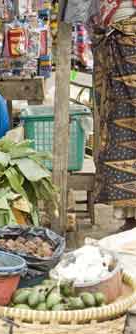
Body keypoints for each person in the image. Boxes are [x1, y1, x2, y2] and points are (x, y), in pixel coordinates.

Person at [92, 1, 136, 230]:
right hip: (118, 40)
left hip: (123, 39)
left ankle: (130, 217)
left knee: (122, 129)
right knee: (121, 131)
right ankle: (130, 216)